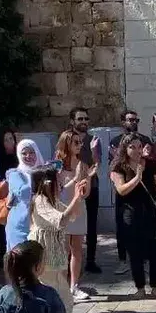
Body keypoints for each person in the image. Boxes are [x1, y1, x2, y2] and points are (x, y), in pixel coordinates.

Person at [29, 167, 86, 313]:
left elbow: (72, 215)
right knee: (53, 302)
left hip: (53, 262)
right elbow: (61, 221)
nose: (60, 185)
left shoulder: (51, 201)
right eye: (57, 181)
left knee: (64, 301)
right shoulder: (40, 201)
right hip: (43, 262)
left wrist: (79, 196)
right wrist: (76, 197)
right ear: (47, 183)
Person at [110, 134, 156, 298]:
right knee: (136, 252)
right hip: (130, 213)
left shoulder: (150, 163)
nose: (136, 150)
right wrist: (137, 177)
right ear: (125, 149)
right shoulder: (119, 167)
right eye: (132, 147)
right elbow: (121, 190)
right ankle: (140, 288)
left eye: (139, 146)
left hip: (149, 211)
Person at [109, 109, 155, 276]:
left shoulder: (144, 140)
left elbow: (152, 161)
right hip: (125, 194)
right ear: (123, 122)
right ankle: (123, 261)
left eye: (135, 119)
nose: (133, 122)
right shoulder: (115, 141)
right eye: (130, 120)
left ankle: (146, 260)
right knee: (123, 229)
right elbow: (114, 166)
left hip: (143, 195)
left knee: (145, 229)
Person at [55, 130, 91, 304]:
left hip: (78, 209)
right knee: (63, 250)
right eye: (75, 142)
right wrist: (74, 179)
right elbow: (56, 191)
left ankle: (74, 286)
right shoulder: (57, 165)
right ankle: (61, 288)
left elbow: (86, 193)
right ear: (66, 144)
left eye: (80, 142)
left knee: (77, 249)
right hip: (62, 210)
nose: (79, 145)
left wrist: (84, 183)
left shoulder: (83, 165)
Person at [69, 107, 102, 274]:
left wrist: (93, 150)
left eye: (86, 119)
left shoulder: (94, 139)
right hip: (70, 188)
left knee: (91, 225)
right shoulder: (67, 139)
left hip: (91, 186)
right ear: (72, 121)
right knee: (70, 225)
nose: (83, 122)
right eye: (80, 119)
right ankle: (71, 262)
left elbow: (97, 164)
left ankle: (90, 260)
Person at [5, 139, 44, 253]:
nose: (28, 156)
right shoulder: (15, 174)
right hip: (20, 226)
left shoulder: (45, 172)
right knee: (19, 262)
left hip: (40, 225)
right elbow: (23, 193)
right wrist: (37, 175)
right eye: (24, 153)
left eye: (32, 152)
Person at [0, 129, 18, 267]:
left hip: (18, 198)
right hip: (4, 198)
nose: (9, 142)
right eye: (6, 140)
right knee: (1, 228)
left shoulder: (20, 157)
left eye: (11, 139)